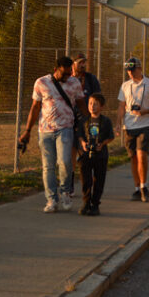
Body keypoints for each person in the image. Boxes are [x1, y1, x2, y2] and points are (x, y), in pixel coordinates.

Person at [19, 56, 84, 212]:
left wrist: (86, 123)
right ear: (55, 70)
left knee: (65, 162)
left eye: (70, 73)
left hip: (66, 128)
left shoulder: (74, 83)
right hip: (45, 130)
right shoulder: (41, 83)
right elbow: (35, 107)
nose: (67, 76)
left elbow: (82, 104)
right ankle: (51, 200)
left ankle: (65, 192)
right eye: (64, 73)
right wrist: (27, 131)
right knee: (48, 166)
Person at [117, 57, 149, 202]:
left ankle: (144, 186)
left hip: (144, 124)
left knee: (141, 155)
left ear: (139, 68)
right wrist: (118, 123)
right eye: (128, 71)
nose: (130, 73)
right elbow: (121, 105)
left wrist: (147, 111)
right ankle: (137, 188)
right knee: (133, 158)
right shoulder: (125, 85)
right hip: (129, 126)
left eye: (132, 70)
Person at [68, 52, 102, 195]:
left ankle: (87, 186)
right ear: (73, 64)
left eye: (84, 62)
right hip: (70, 121)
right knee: (70, 156)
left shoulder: (90, 79)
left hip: (88, 123)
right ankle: (69, 186)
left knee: (87, 155)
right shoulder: (68, 79)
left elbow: (98, 98)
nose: (82, 65)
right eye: (79, 62)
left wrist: (95, 120)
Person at [77, 92, 114, 216]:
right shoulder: (84, 121)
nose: (92, 106)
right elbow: (80, 135)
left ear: (101, 106)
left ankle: (95, 204)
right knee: (86, 179)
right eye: (90, 103)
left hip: (100, 155)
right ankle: (86, 202)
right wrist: (83, 144)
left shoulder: (106, 121)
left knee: (99, 179)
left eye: (95, 104)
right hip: (86, 155)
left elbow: (111, 136)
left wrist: (102, 144)